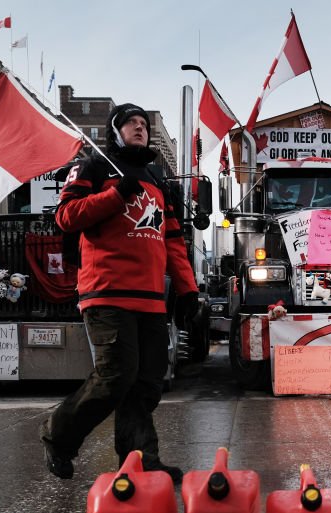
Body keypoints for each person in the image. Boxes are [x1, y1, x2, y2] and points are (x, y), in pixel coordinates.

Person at [40, 103, 199, 482]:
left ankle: (141, 461)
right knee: (116, 376)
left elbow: (173, 241)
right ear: (116, 130)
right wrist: (115, 196)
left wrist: (188, 290)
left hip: (149, 297)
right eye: (132, 123)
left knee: (146, 382)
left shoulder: (159, 179)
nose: (140, 128)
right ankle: (58, 436)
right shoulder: (94, 166)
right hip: (106, 291)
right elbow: (65, 216)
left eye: (144, 123)